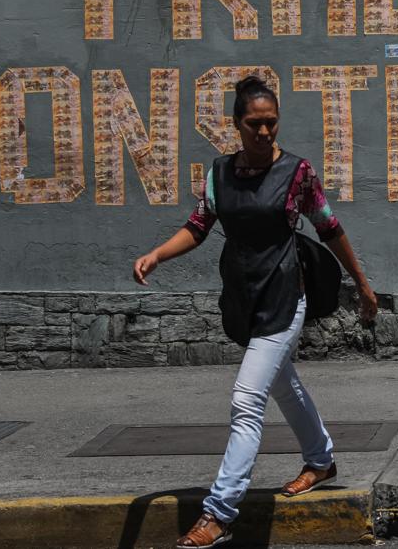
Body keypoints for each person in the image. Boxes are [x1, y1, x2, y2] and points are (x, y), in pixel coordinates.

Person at [132, 75, 378, 549]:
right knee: (282, 383)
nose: (264, 133)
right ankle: (321, 460)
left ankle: (219, 513)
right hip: (245, 296)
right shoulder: (220, 173)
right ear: (236, 124)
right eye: (254, 124)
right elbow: (198, 226)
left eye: (271, 123)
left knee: (247, 399)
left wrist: (362, 285)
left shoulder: (297, 173)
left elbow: (329, 227)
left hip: (286, 296)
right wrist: (158, 255)